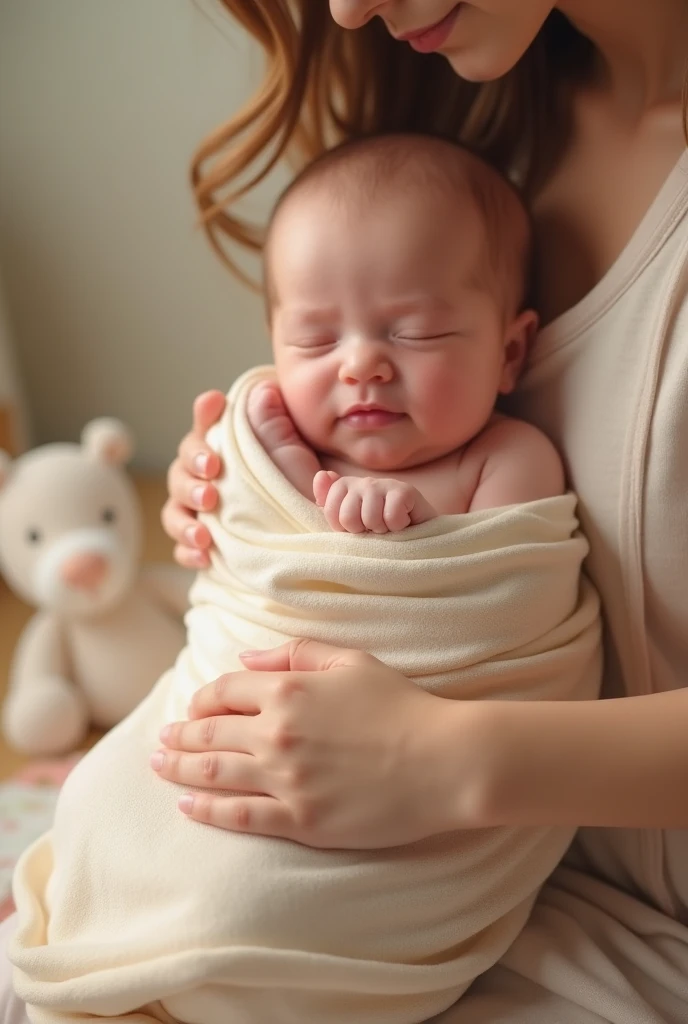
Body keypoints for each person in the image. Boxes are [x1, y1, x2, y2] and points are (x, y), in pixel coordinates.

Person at [157, 1, 688, 1022]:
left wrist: (440, 759)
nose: (349, 8)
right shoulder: (478, 122)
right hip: (475, 896)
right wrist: (240, 492)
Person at [0, 131, 601, 1024]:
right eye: (316, 337)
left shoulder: (509, 457)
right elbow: (244, 563)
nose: (362, 361)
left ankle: (223, 960)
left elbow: (499, 600)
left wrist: (412, 528)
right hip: (225, 707)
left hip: (393, 789)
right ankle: (110, 909)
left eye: (418, 329)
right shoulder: (269, 426)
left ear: (511, 353)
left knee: (255, 901)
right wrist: (223, 472)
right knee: (98, 799)